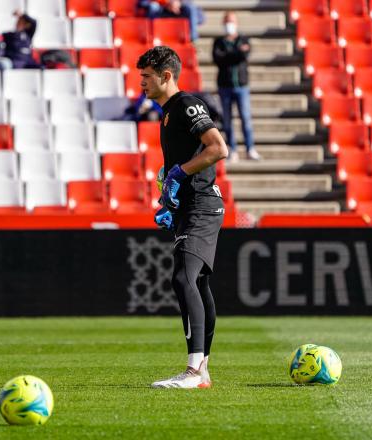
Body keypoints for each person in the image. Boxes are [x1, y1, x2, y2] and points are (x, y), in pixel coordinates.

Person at [137, 46, 228, 388]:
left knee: (183, 278)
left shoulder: (187, 105)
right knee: (198, 283)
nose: (142, 83)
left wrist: (178, 173)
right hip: (192, 205)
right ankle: (201, 370)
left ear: (166, 76)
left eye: (147, 77)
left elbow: (218, 148)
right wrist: (170, 196)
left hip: (203, 205)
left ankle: (193, 371)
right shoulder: (167, 112)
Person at [212, 11, 261, 161]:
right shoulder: (219, 41)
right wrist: (236, 53)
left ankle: (250, 148)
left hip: (241, 85)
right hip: (224, 86)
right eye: (227, 21)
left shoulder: (243, 39)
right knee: (227, 119)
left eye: (231, 21)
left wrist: (230, 54)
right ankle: (232, 148)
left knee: (245, 118)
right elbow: (218, 59)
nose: (229, 24)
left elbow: (244, 56)